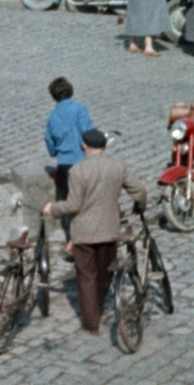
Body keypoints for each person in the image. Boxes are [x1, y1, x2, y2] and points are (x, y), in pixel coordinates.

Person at [43, 129, 146, 334]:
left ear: (84, 146)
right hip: (109, 232)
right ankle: (98, 307)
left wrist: (52, 209)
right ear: (104, 147)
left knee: (87, 277)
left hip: (84, 234)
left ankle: (91, 322)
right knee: (105, 274)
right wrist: (139, 207)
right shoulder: (117, 167)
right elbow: (140, 191)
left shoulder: (77, 171)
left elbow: (73, 205)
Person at [44, 77, 92, 212]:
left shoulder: (52, 117)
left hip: (65, 165)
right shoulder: (80, 109)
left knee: (72, 202)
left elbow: (51, 148)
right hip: (82, 162)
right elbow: (88, 133)